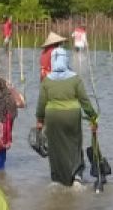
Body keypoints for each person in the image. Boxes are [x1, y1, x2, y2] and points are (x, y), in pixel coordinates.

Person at [35, 47, 98, 185]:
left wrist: (39, 120)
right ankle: (76, 176)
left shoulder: (47, 80)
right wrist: (93, 117)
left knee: (55, 147)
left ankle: (58, 178)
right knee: (74, 145)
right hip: (72, 116)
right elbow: (84, 101)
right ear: (66, 59)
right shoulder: (75, 79)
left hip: (52, 117)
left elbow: (41, 104)